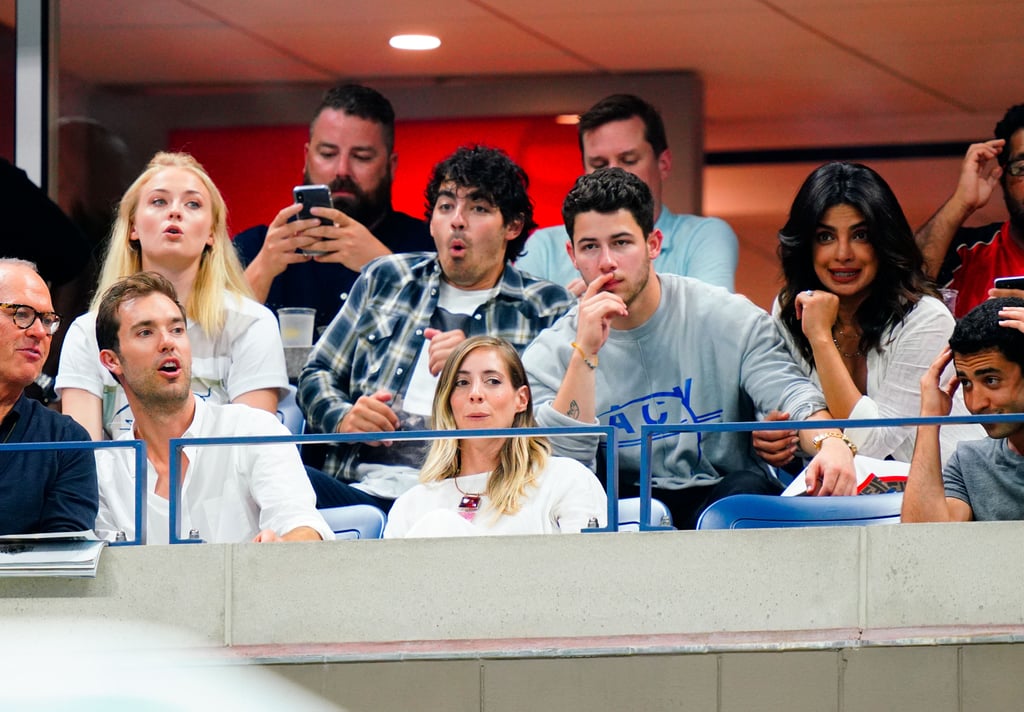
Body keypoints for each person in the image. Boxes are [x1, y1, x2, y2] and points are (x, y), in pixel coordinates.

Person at [522, 168, 857, 530]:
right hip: (620, 510)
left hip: (722, 501)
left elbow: (794, 395)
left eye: (621, 242)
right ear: (572, 255)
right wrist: (584, 354)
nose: (607, 262)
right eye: (591, 247)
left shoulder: (727, 317)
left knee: (748, 491)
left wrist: (831, 442)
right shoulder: (551, 353)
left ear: (652, 244)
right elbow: (559, 471)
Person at [298, 145, 575, 510]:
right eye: (446, 207)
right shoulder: (387, 277)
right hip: (363, 488)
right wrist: (345, 416)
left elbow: (558, 424)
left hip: (476, 496)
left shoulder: (547, 308)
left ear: (513, 226)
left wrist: (474, 362)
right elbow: (316, 373)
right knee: (275, 472)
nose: (457, 220)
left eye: (478, 208)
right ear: (431, 222)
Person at [756, 162, 982, 468]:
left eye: (860, 235)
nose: (843, 253)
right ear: (805, 246)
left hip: (943, 493)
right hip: (844, 490)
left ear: (884, 241)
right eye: (825, 237)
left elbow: (871, 442)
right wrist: (782, 437)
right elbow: (797, 407)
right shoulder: (791, 308)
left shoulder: (926, 318)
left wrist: (820, 338)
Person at [56, 152, 288, 440]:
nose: (175, 212)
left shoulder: (252, 324)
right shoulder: (86, 333)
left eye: (193, 203)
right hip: (117, 486)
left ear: (212, 233)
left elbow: (253, 449)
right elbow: (83, 461)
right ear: (133, 228)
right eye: (159, 201)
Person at [91, 272, 332, 544]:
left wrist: (284, 546)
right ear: (112, 361)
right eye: (146, 332)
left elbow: (303, 525)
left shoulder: (252, 430)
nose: (168, 342)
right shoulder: (103, 471)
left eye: (177, 330)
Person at [234, 83, 433, 330]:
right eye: (328, 154)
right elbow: (209, 347)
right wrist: (262, 268)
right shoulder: (256, 246)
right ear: (306, 159)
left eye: (361, 157)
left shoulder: (428, 248)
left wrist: (385, 268)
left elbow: (453, 343)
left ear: (391, 166)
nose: (342, 170)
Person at [515, 93, 738, 295]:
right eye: (599, 164)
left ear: (663, 163)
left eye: (628, 160)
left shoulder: (704, 236)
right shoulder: (545, 246)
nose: (614, 172)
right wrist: (569, 317)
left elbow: (711, 322)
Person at [384, 336, 605, 537]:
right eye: (462, 383)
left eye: (493, 381)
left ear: (522, 399)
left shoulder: (566, 479)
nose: (476, 394)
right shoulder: (411, 505)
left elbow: (588, 571)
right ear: (448, 402)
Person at [903, 297, 1024, 522]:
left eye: (991, 380)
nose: (976, 404)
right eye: (966, 383)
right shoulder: (968, 461)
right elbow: (924, 542)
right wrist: (929, 420)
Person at [0, 259, 97, 535]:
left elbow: (63, 558)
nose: (39, 332)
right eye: (21, 314)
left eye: (47, 320)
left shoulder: (65, 441)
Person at [915, 103, 1024, 318]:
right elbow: (902, 288)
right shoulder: (967, 254)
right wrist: (960, 203)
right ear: (1003, 178)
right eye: (1022, 168)